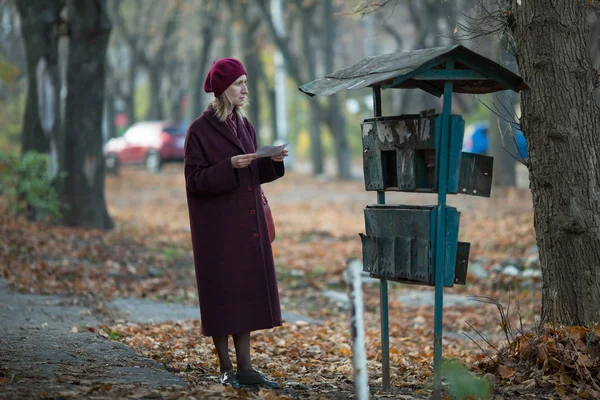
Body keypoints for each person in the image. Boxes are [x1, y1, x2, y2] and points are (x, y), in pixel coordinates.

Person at [183, 58, 288, 389]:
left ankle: (246, 368)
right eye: (239, 84)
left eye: (245, 82)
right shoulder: (199, 130)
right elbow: (194, 180)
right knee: (221, 296)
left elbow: (252, 174)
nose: (245, 89)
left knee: (244, 295)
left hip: (246, 225)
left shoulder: (244, 125)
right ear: (222, 89)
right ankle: (226, 367)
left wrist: (269, 162)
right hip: (217, 229)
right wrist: (228, 166)